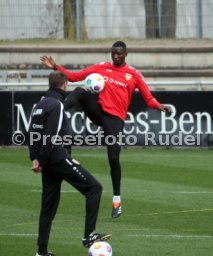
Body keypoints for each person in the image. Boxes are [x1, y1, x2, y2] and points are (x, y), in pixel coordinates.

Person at [40, 41, 171, 219]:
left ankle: (116, 200)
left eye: (119, 53)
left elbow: (148, 98)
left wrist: (160, 106)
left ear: (125, 54)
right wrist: (56, 66)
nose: (115, 56)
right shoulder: (101, 67)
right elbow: (73, 77)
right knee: (79, 91)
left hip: (114, 119)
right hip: (98, 111)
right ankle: (57, 108)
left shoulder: (133, 74)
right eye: (113, 53)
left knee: (113, 157)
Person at [28, 71, 111, 256]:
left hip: (47, 161)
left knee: (47, 207)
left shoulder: (39, 105)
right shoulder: (56, 104)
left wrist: (35, 158)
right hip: (57, 157)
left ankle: (42, 252)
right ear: (65, 85)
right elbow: (51, 134)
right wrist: (42, 157)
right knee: (94, 188)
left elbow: (32, 132)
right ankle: (89, 235)